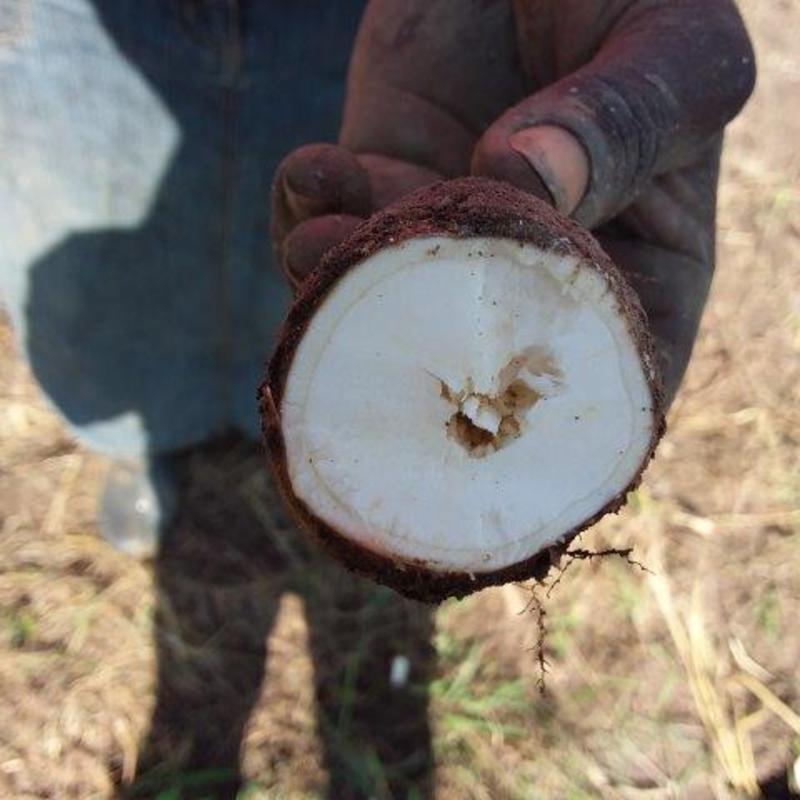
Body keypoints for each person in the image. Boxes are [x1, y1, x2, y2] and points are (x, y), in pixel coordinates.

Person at [0, 0, 755, 556]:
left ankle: (294, 436)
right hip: (80, 23)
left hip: (366, 24)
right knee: (100, 299)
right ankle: (144, 438)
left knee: (312, 256)